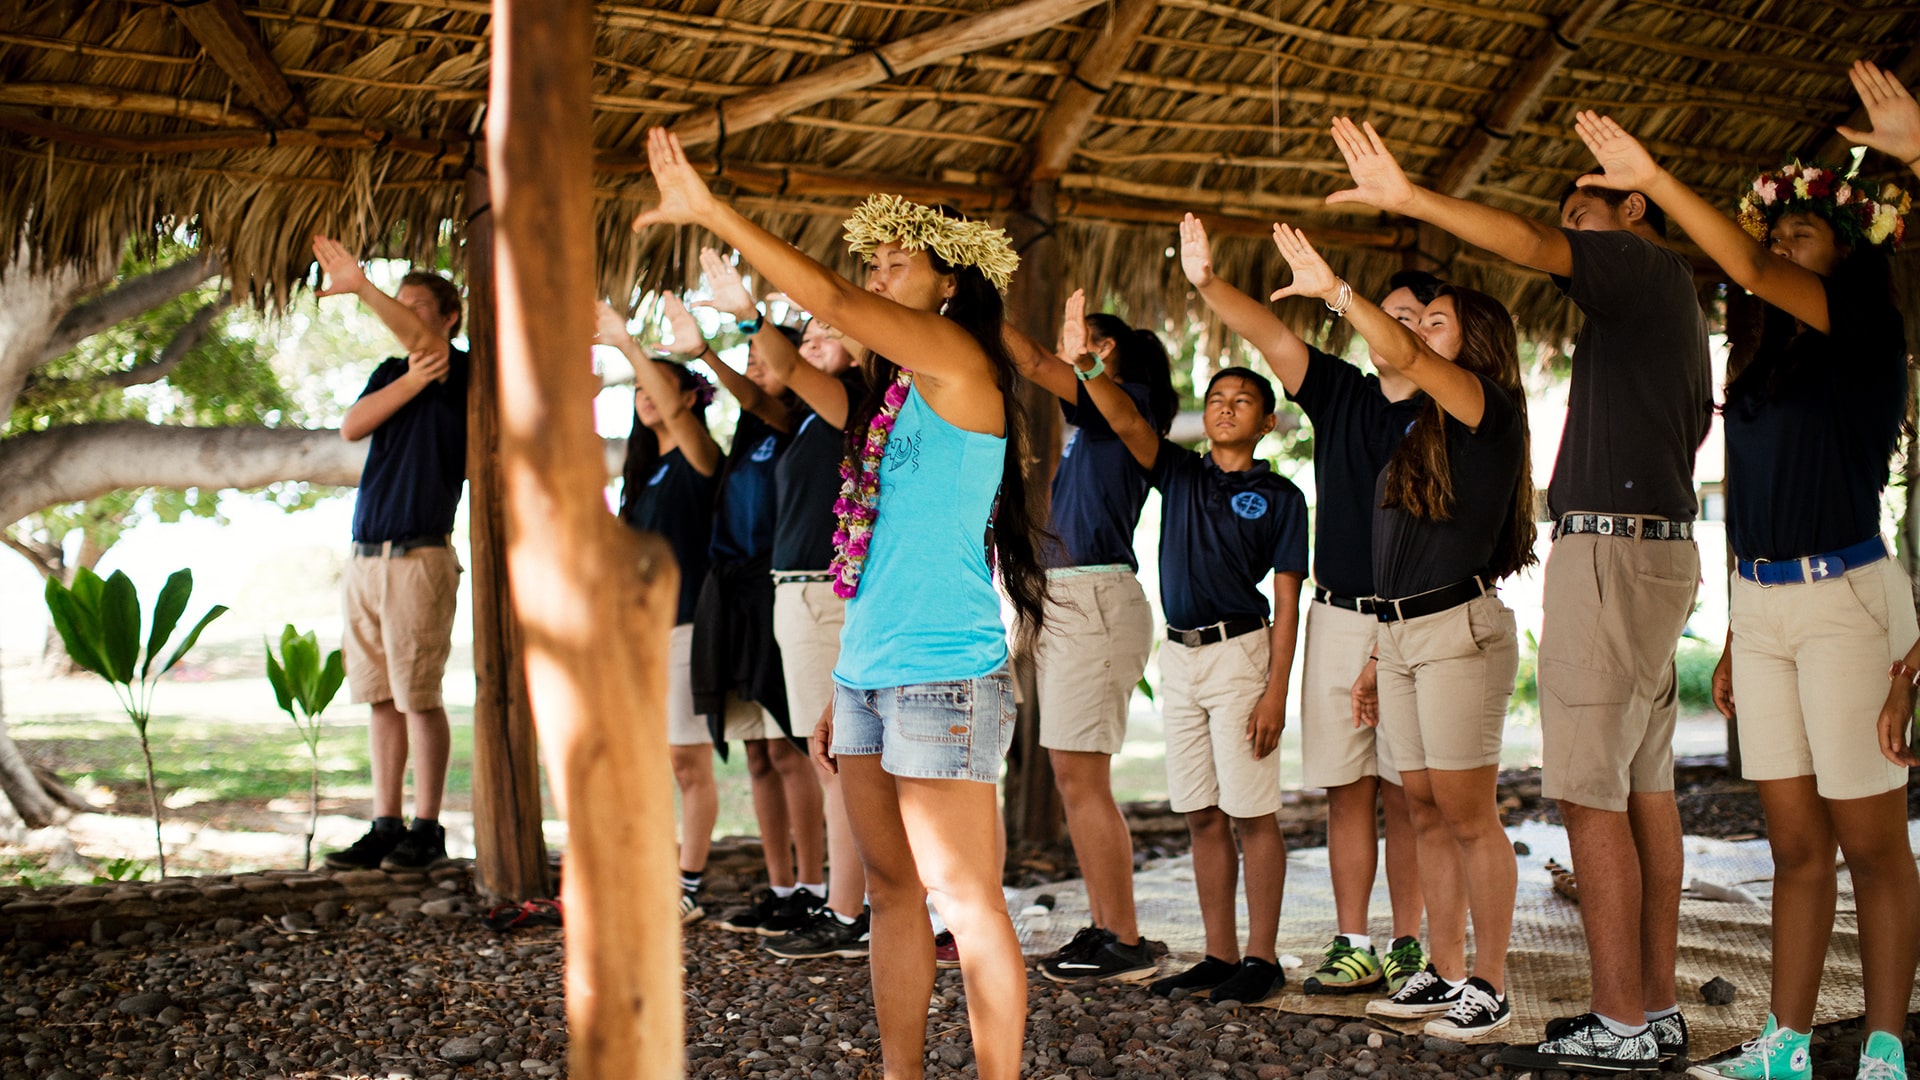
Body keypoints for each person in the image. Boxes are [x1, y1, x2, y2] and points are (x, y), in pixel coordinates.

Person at [637, 127, 1051, 1080]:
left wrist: (715, 215)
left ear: (950, 284)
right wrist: (839, 685)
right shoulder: (896, 392)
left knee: (966, 896)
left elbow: (829, 301)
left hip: (944, 668)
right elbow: (874, 552)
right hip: (866, 671)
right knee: (893, 894)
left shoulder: (956, 359)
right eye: (875, 261)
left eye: (897, 261)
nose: (877, 273)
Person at [1322, 115, 1711, 1067]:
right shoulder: (1660, 313)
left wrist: (1409, 198)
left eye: (1588, 216)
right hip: (1651, 550)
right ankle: (1650, 1009)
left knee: (1587, 794)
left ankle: (1621, 1020)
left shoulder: (1641, 269)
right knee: (1642, 787)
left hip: (1613, 555)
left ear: (1633, 208)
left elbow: (1533, 246)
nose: (1569, 240)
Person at [1566, 112, 1916, 1080]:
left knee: (1873, 843)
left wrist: (1656, 179)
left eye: (1800, 234)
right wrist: (1733, 629)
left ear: (1845, 255)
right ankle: (1788, 1046)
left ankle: (1884, 1051)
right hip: (1762, 606)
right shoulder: (1756, 364)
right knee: (1796, 847)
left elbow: (1756, 274)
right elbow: (1755, 498)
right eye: (1774, 233)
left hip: (1847, 593)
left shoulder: (1868, 329)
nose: (1775, 246)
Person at [1268, 224, 1534, 1041]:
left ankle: (1489, 983)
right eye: (1419, 324)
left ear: (1476, 343)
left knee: (1465, 813)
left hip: (1461, 629)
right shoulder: (1422, 430)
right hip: (1405, 634)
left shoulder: (1489, 407)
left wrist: (1337, 295)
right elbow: (1399, 553)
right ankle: (1443, 972)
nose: (1419, 337)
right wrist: (1380, 651)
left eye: (1438, 323)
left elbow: (1410, 360)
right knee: (1421, 808)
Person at [1175, 212, 1433, 996]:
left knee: (1409, 789)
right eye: (1392, 316)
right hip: (1337, 615)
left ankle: (1414, 942)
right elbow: (1269, 337)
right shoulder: (1341, 392)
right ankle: (1353, 941)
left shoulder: (1450, 407)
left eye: (1421, 321)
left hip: (1420, 615)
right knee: (1345, 788)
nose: (1403, 330)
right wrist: (1208, 283)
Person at [1071, 287, 1307, 1007]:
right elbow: (1120, 418)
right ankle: (1218, 954)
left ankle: (1261, 960)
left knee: (1251, 813)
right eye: (1215, 398)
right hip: (1179, 655)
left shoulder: (1283, 496)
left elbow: (1291, 601)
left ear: (1267, 421)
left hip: (1243, 652)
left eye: (1241, 400)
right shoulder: (1178, 471)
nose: (1225, 406)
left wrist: (1275, 690)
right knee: (1201, 813)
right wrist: (1088, 372)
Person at [1003, 297, 1177, 984]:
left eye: (1100, 345)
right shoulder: (1084, 428)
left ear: (1124, 365)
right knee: (1072, 776)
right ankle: (1108, 926)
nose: (1084, 350)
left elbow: (1043, 363)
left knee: (1083, 777)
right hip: (1066, 597)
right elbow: (1047, 369)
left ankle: (1123, 937)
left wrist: (976, 304)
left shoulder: (1131, 411)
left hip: (1098, 598)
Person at [649, 283, 830, 940]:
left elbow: (762, 391)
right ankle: (781, 886)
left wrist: (717, 353)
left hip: (772, 591)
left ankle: (815, 885)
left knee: (789, 752)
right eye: (752, 360)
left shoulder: (800, 418)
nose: (757, 370)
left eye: (767, 358)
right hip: (731, 595)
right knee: (756, 755)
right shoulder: (750, 428)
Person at [315, 236, 469, 874]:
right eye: (394, 303)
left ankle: (427, 827)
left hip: (419, 557)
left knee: (417, 695)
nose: (400, 314)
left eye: (415, 307)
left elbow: (430, 352)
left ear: (448, 318)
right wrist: (407, 379)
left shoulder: (460, 371)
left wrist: (363, 286)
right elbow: (352, 427)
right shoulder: (396, 372)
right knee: (378, 695)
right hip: (365, 558)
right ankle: (386, 823)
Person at [593, 299, 722, 924]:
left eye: (658, 386)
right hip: (638, 637)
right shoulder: (641, 478)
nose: (646, 397)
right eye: (638, 390)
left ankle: (688, 885)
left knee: (686, 761)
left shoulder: (699, 461)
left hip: (688, 631)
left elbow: (669, 405)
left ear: (689, 398)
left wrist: (626, 345)